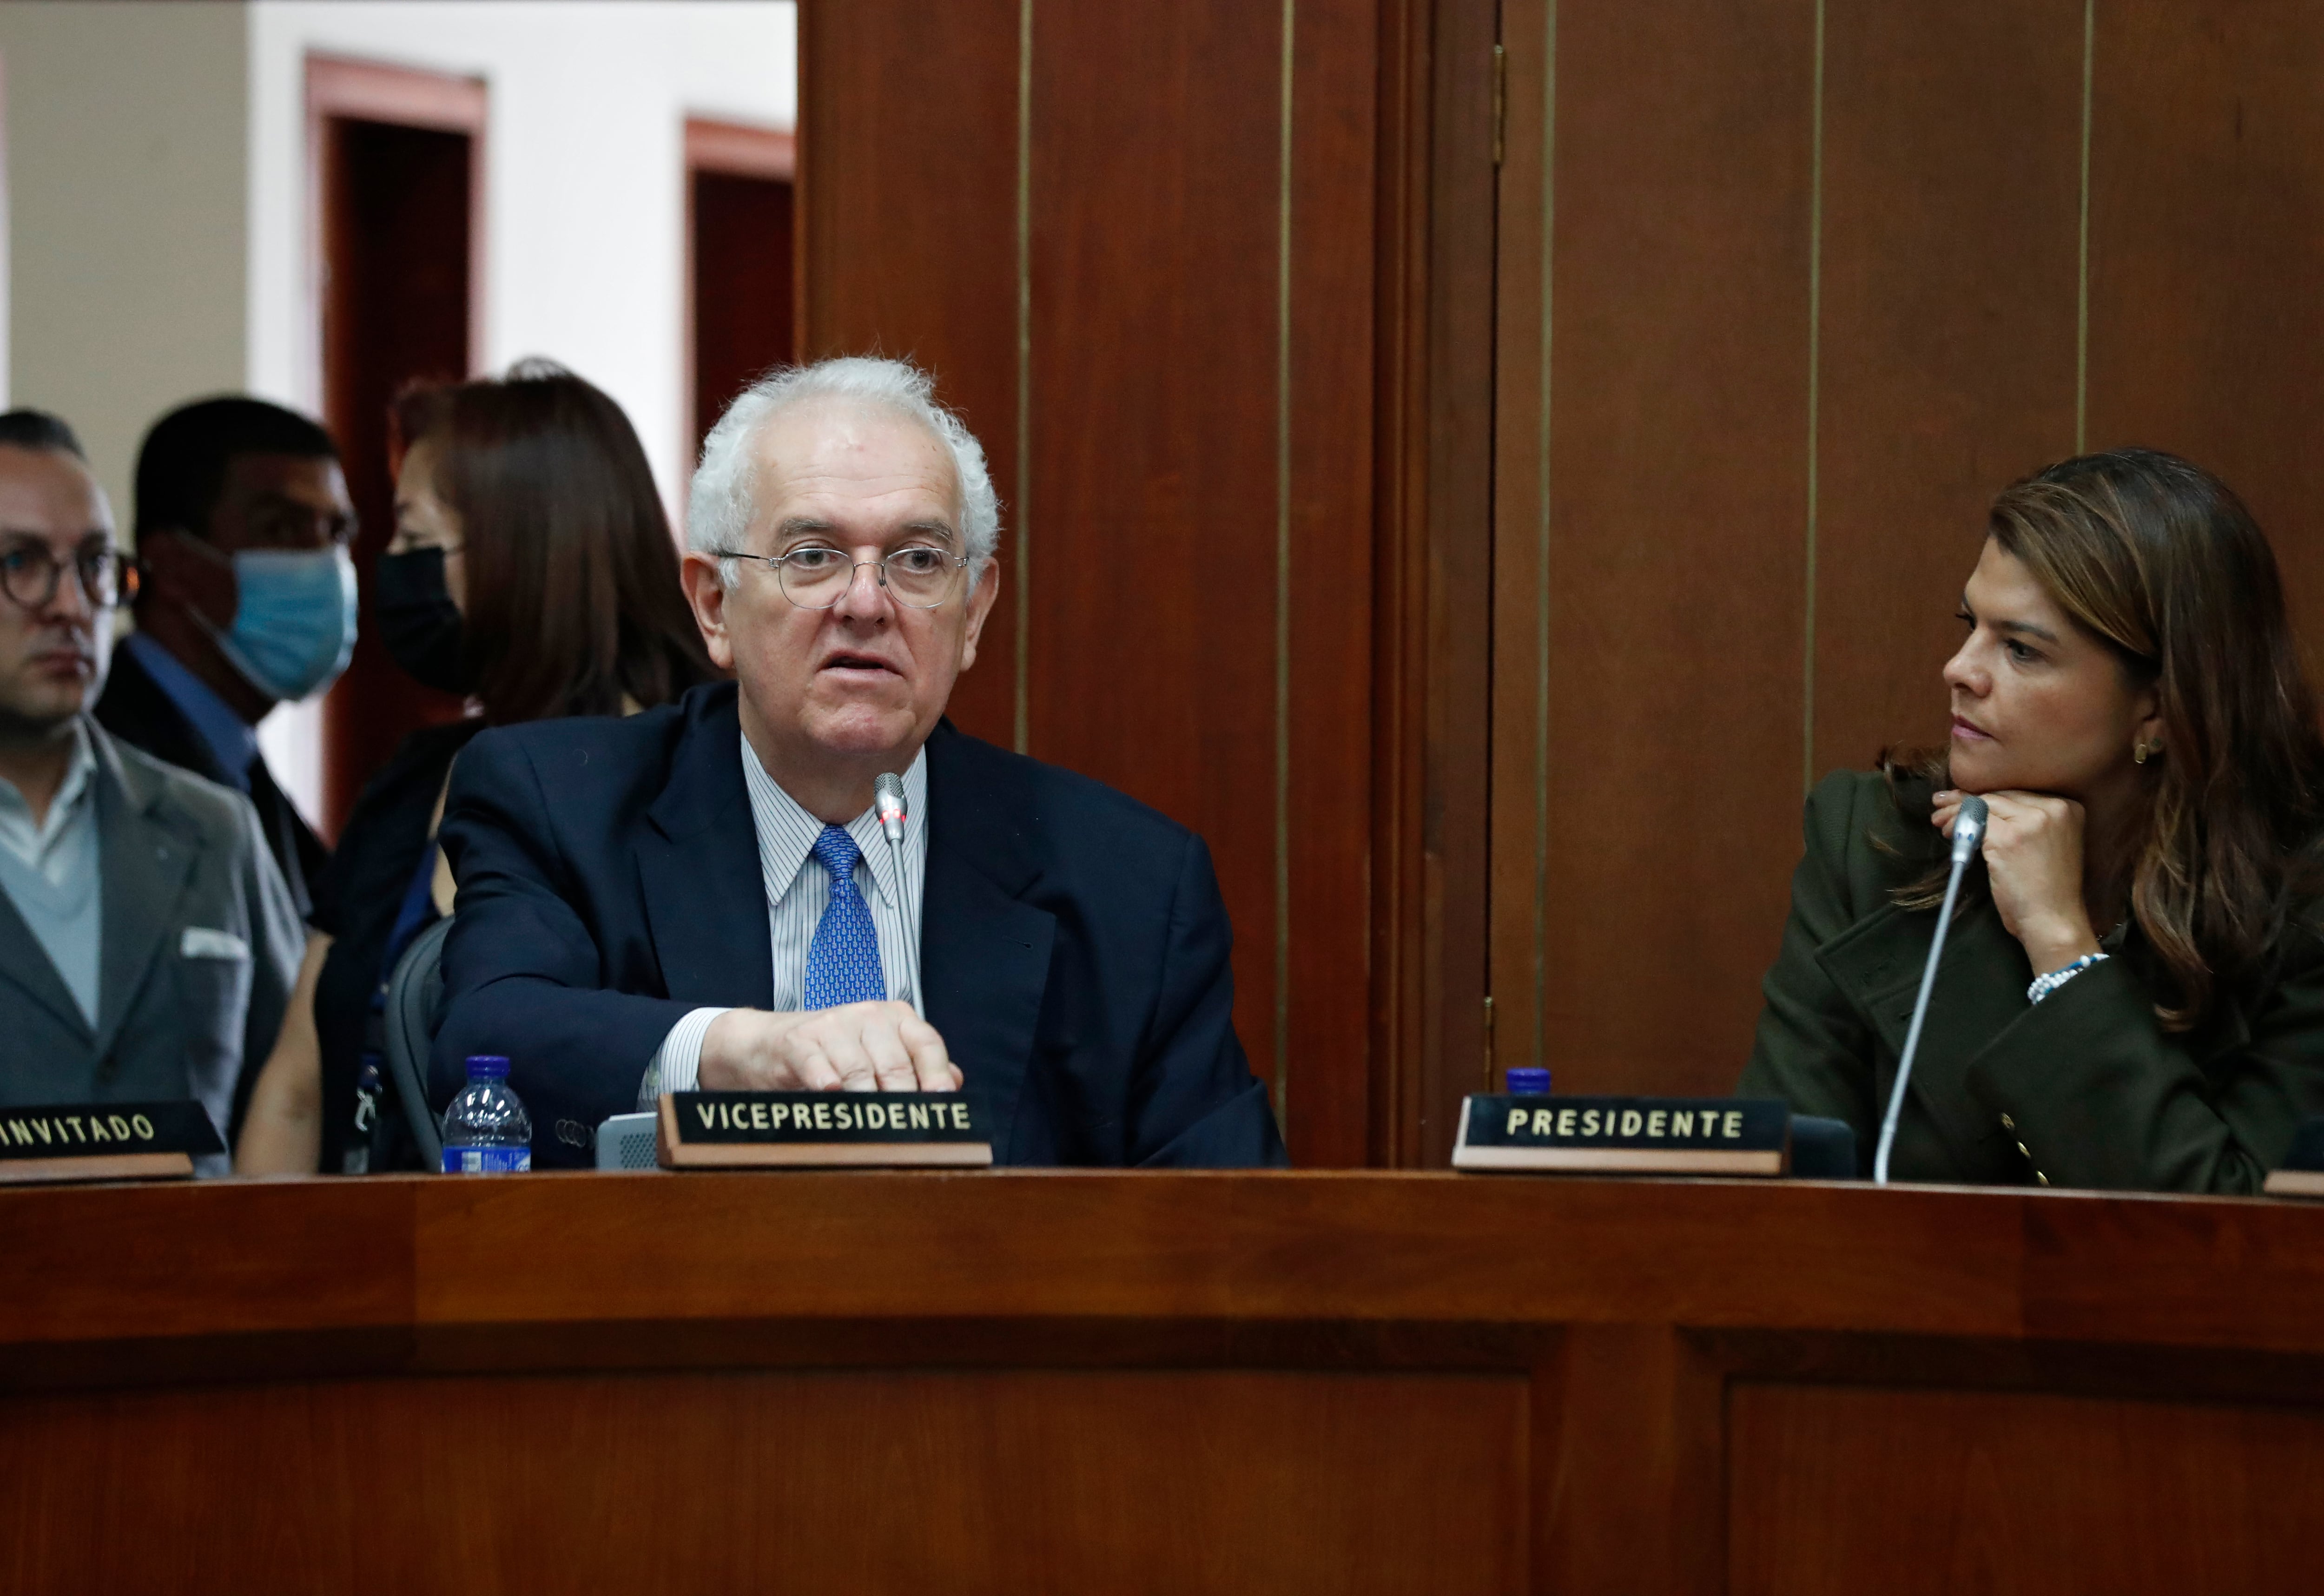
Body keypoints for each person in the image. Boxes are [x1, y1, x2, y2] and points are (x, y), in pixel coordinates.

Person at [433, 356, 1286, 1168]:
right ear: (714, 604)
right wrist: (741, 1049)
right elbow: (485, 1038)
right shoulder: (561, 803)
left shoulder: (1131, 886)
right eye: (813, 555)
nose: (868, 603)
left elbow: (1228, 1232)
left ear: (974, 611)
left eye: (918, 559)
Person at [1741, 448, 2324, 1191]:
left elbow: (2231, 1239)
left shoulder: (2302, 905)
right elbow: (1781, 1184)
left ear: (2161, 705)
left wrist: (2060, 944)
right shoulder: (1872, 841)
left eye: (2020, 649)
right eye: (1970, 625)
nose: (1961, 668)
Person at [235, 363, 718, 1174]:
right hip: (368, 1269)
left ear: (528, 552)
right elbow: (298, 1085)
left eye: (420, 543)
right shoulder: (416, 780)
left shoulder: (698, 781)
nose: (392, 567)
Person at [0, 409, 300, 1172]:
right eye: (21, 562)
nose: (72, 606)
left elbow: (300, 1093)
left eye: (96, 564)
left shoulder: (214, 828)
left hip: (201, 1282)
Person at [95, 397, 355, 917]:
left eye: (337, 533)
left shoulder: (242, 768)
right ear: (172, 566)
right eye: (281, 529)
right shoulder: (104, 762)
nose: (324, 562)